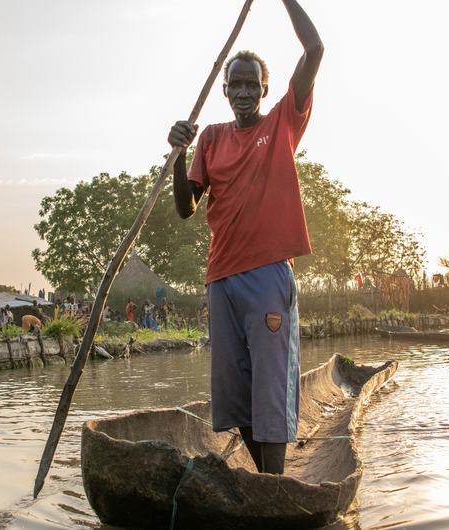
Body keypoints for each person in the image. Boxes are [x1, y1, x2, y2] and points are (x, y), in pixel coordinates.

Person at [168, 0, 322, 476]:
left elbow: (314, 49)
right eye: (234, 83)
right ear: (224, 88)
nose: (242, 91)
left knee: (271, 386)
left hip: (266, 275)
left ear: (265, 89)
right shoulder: (211, 139)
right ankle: (264, 479)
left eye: (251, 83)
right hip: (221, 279)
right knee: (236, 390)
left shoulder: (281, 124)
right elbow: (185, 206)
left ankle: (273, 488)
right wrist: (178, 155)